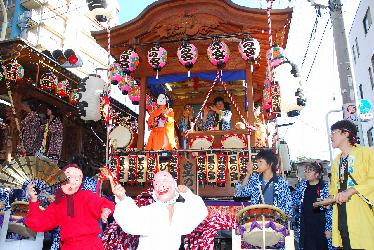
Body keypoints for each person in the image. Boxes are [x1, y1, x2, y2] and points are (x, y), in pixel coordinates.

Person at [25, 164, 115, 250]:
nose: (72, 181)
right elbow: (38, 223)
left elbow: (103, 203)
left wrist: (105, 210)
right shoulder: (58, 203)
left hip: (91, 246)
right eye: (68, 177)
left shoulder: (87, 196)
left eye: (77, 178)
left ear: (80, 182)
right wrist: (33, 200)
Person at [111, 171, 208, 250]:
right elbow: (131, 223)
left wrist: (188, 194)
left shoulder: (181, 210)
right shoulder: (150, 211)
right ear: (154, 192)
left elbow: (200, 211)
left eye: (165, 180)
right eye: (157, 183)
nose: (161, 185)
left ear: (174, 184)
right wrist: (122, 198)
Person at [329, 120, 374, 249]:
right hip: (342, 216)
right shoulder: (336, 160)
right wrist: (332, 196)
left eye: (334, 132)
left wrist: (352, 190)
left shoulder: (366, 153)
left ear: (346, 133)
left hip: (361, 215)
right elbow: (333, 188)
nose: (331, 136)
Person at [235, 149, 293, 217]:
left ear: (270, 163)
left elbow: (288, 206)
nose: (257, 164)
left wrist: (281, 215)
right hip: (257, 220)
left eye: (260, 162)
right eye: (257, 162)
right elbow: (239, 193)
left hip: (275, 222)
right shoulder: (255, 180)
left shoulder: (282, 183)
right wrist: (248, 174)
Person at [293, 162, 332, 250]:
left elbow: (330, 211)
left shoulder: (324, 188)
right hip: (305, 227)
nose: (306, 173)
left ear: (317, 174)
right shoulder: (302, 186)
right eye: (305, 171)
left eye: (309, 171)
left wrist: (329, 229)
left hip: (320, 228)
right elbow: (294, 201)